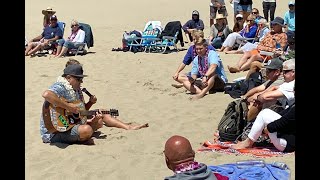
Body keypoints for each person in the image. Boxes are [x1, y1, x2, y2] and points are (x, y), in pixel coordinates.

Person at [40, 64, 148, 144]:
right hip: (54, 132)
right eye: (78, 79)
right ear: (68, 78)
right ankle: (87, 131)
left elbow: (80, 111)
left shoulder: (77, 90)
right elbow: (46, 94)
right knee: (87, 130)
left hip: (71, 122)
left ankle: (128, 127)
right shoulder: (61, 86)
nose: (81, 82)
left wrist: (90, 103)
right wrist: (69, 107)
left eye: (81, 79)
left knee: (102, 114)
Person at [232, 88, 295, 152]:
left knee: (264, 114)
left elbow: (281, 123)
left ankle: (248, 143)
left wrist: (264, 131)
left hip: (288, 144)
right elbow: (283, 115)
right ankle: (248, 141)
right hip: (288, 141)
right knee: (268, 115)